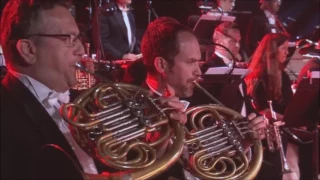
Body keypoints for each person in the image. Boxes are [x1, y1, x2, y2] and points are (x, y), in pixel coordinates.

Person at [0, 1, 187, 179]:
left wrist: (157, 140)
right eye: (69, 39)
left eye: (78, 38)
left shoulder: (87, 103)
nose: (81, 50)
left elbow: (127, 171)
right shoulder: (6, 113)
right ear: (28, 49)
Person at [141, 16, 266, 180]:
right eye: (191, 62)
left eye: (198, 62)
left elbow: (211, 163)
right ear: (161, 65)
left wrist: (244, 142)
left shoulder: (201, 104)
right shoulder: (127, 107)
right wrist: (160, 138)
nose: (198, 72)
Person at [245, 33, 292, 180]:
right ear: (272, 50)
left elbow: (289, 105)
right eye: (283, 48)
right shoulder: (259, 77)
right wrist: (287, 119)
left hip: (282, 130)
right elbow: (261, 110)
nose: (287, 52)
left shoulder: (283, 76)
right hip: (266, 135)